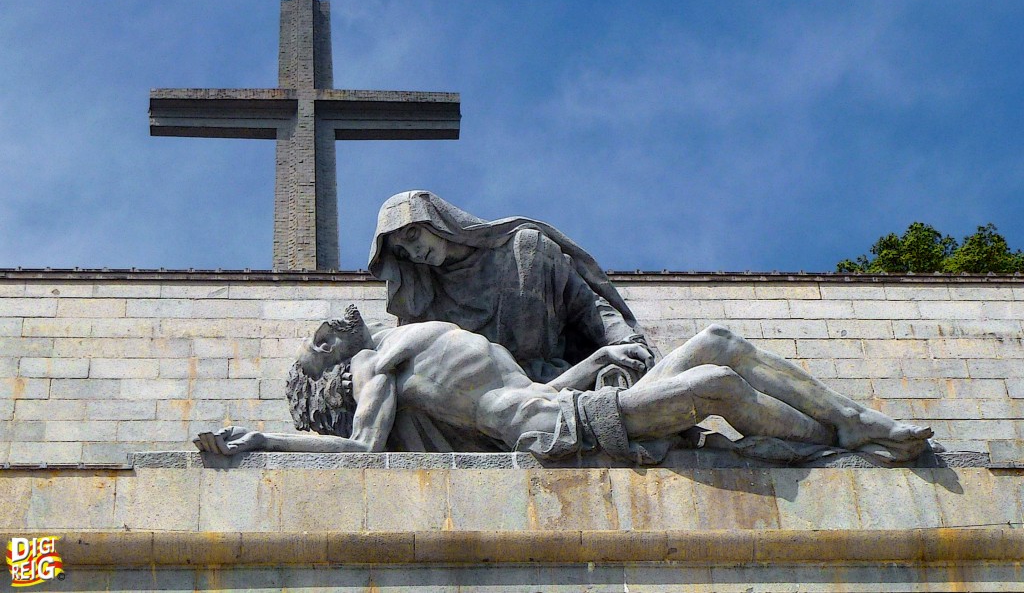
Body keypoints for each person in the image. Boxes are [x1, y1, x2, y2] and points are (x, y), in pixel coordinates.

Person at [195, 306, 934, 463]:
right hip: (560, 430)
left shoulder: (412, 331)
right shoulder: (372, 366)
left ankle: (851, 421)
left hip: (568, 399)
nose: (333, 324)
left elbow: (531, 381)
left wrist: (593, 364)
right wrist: (262, 439)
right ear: (332, 360)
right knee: (715, 381)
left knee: (719, 341)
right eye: (320, 339)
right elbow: (362, 449)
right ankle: (847, 438)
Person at [368, 190, 655, 385]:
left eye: (412, 234)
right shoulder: (425, 302)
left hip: (551, 382)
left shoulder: (526, 249)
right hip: (479, 401)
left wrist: (627, 344)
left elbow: (589, 309)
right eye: (404, 252)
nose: (415, 252)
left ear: (436, 217)